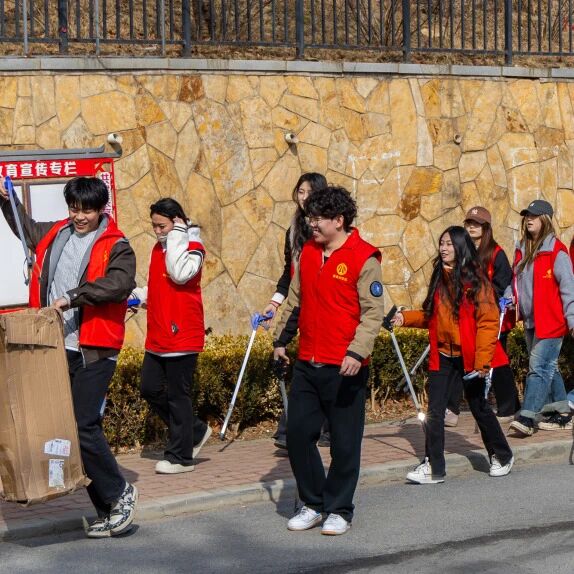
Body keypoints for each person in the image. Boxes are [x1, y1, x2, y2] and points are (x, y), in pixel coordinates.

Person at [0, 177, 138, 538]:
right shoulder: (57, 233)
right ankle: (107, 509)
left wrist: (72, 297)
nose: (79, 216)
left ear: (101, 209)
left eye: (87, 210)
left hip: (95, 349)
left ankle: (121, 492)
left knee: (83, 423)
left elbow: (118, 284)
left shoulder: (117, 246)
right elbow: (25, 227)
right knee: (70, 428)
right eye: (74, 208)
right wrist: (6, 199)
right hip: (57, 346)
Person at [273, 186, 384, 536]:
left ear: (339, 220)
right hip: (308, 361)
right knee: (297, 435)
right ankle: (313, 502)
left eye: (318, 218)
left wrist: (356, 352)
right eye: (310, 217)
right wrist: (280, 341)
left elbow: (372, 314)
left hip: (345, 366)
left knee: (344, 443)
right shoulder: (308, 252)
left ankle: (339, 508)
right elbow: (295, 300)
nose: (312, 224)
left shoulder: (364, 257)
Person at [392, 226, 514, 484]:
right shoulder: (440, 278)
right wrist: (404, 318)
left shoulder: (477, 281)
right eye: (441, 243)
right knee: (434, 412)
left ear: (460, 247)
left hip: (470, 358)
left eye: (449, 244)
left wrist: (482, 362)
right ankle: (433, 467)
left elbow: (488, 322)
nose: (443, 248)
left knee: (479, 408)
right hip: (443, 356)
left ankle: (502, 455)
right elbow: (431, 316)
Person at [131, 198, 211, 474]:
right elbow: (159, 286)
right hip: (158, 334)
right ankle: (194, 430)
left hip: (182, 334)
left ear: (177, 221)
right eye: (154, 226)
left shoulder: (194, 247)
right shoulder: (159, 248)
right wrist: (137, 296)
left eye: (162, 226)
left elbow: (179, 274)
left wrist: (179, 233)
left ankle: (181, 457)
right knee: (149, 388)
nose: (157, 231)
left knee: (179, 395)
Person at [261, 172, 331, 450]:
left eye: (309, 192)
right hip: (299, 304)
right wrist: (274, 302)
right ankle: (290, 430)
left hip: (322, 305)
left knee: (322, 369)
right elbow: (288, 274)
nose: (303, 198)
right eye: (300, 192)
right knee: (306, 367)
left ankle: (319, 428)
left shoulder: (327, 230)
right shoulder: (292, 231)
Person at [444, 206, 520, 426]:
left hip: (491, 317)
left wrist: (480, 297)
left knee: (499, 362)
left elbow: (502, 284)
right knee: (460, 360)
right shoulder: (462, 253)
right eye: (469, 223)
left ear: (486, 228)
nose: (471, 227)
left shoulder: (496, 253)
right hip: (467, 317)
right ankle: (451, 408)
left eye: (476, 224)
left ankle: (510, 407)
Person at [507, 200, 574, 436]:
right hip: (531, 321)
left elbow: (569, 288)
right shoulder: (522, 250)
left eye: (534, 216)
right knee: (548, 367)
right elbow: (515, 284)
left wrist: (572, 319)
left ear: (545, 219)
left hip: (552, 322)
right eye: (527, 215)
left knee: (538, 368)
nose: (529, 219)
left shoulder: (557, 251)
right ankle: (562, 413)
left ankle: (527, 417)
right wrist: (508, 298)